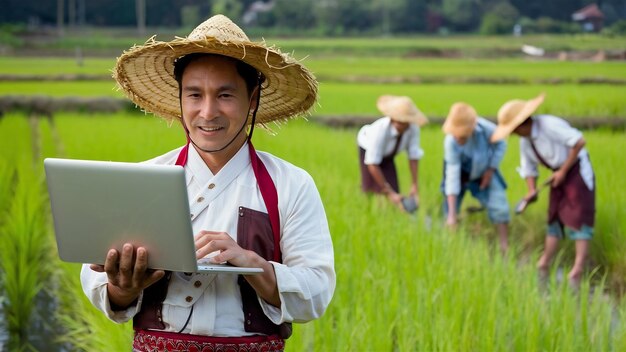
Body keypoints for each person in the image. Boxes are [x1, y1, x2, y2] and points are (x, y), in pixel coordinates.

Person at [80, 14, 335, 351]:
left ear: (253, 98)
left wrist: (254, 265)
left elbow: (316, 291)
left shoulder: (290, 185)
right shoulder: (143, 179)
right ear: (180, 99)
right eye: (195, 95)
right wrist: (124, 286)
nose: (208, 112)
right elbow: (98, 281)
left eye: (225, 95)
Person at [491, 93, 595, 287]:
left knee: (579, 217)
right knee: (554, 216)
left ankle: (578, 269)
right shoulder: (526, 142)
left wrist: (563, 171)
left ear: (522, 124)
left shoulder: (549, 126)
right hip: (558, 174)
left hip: (576, 170)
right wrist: (531, 190)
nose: (513, 134)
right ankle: (544, 262)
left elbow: (579, 142)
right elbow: (529, 168)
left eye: (513, 129)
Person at [441, 102, 510, 253]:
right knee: (449, 212)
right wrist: (452, 215)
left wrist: (491, 170)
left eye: (463, 136)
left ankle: (504, 246)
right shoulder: (450, 142)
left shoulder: (486, 129)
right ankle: (450, 244)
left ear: (471, 129)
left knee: (499, 204)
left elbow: (501, 144)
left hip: (484, 168)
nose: (458, 138)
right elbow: (452, 176)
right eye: (456, 135)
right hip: (460, 172)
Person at [357, 95, 427, 211]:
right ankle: (371, 210)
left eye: (404, 121)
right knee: (371, 188)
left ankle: (392, 211)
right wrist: (388, 192)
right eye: (398, 119)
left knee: (394, 187)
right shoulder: (380, 130)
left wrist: (414, 184)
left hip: (388, 155)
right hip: (367, 149)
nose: (400, 123)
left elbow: (413, 156)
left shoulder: (413, 129)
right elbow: (372, 164)